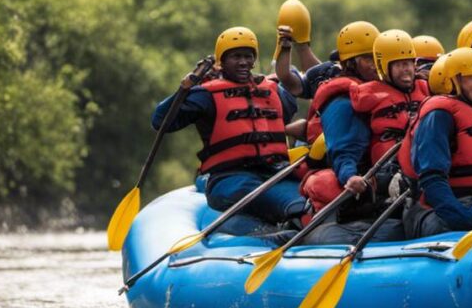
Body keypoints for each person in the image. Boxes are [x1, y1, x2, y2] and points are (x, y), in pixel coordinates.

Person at [151, 26, 304, 224]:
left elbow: (291, 99)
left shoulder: (272, 90)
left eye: (248, 56)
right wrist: (184, 89)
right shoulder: (205, 94)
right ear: (221, 61)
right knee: (288, 205)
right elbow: (160, 122)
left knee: (302, 203)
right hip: (230, 178)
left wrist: (285, 54)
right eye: (236, 56)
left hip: (275, 173)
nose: (243, 62)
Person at [301, 29, 424, 243]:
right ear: (350, 63)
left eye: (374, 57)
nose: (373, 65)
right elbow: (345, 148)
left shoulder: (410, 90)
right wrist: (350, 176)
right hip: (377, 177)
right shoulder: (346, 100)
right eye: (367, 58)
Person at [400, 47, 472, 238]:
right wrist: (469, 221)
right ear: (455, 81)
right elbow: (433, 182)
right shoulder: (439, 116)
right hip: (442, 211)